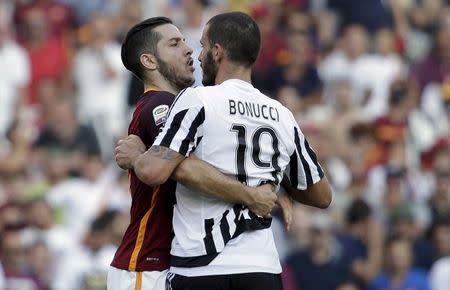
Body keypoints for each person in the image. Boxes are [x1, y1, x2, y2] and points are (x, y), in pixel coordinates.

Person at [115, 12, 332, 290]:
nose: (196, 51)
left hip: (201, 264)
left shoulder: (197, 100)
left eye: (203, 45)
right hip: (261, 265)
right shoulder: (281, 114)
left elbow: (158, 169)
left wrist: (137, 156)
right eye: (176, 43)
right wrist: (270, 188)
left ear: (217, 53)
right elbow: (323, 195)